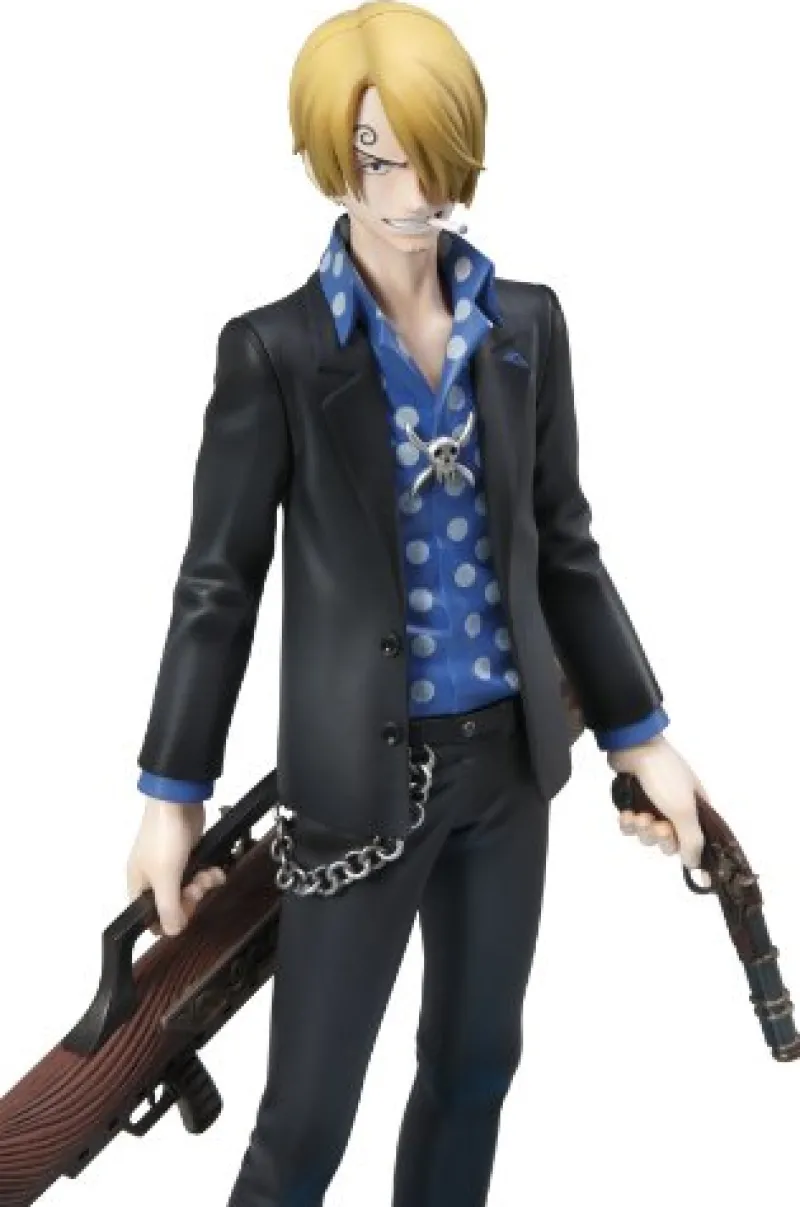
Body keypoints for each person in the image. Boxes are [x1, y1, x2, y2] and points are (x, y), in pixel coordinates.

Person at [126, 4, 709, 1203]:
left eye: (428, 156)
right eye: (376, 157)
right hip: (355, 786)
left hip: (508, 770)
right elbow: (217, 583)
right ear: (329, 159)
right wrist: (170, 795)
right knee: (305, 1120)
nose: (407, 188)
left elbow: (563, 546)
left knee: (474, 1067)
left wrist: (641, 733)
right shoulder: (276, 352)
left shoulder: (524, 327)